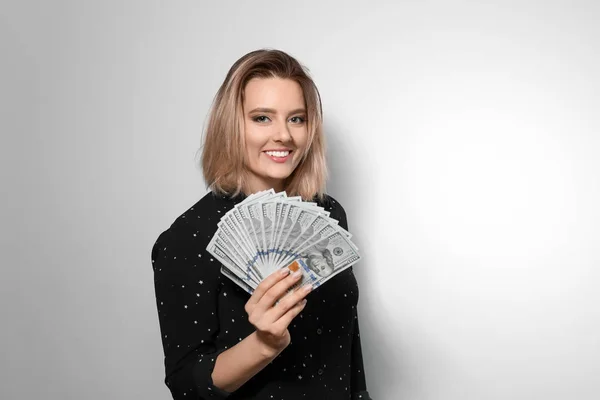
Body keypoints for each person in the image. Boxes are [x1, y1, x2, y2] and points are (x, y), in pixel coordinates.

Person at [151, 49, 372, 400]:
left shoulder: (328, 215)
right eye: (262, 118)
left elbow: (348, 355)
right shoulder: (188, 238)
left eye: (296, 119)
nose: (283, 135)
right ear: (232, 126)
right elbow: (185, 386)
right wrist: (264, 344)